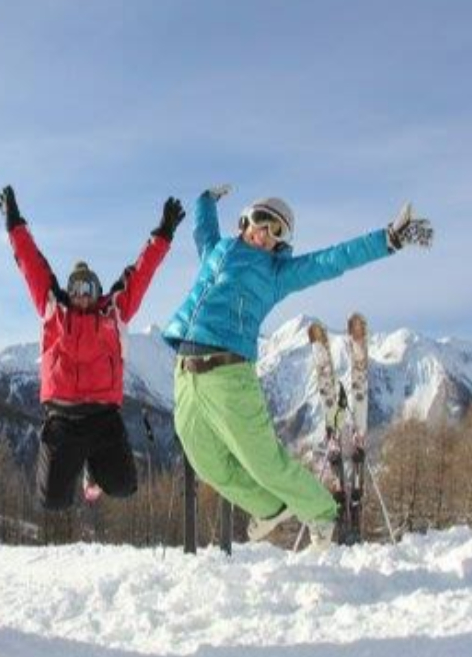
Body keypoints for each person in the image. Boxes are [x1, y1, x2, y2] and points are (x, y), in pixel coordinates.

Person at [163, 184, 432, 548]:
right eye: (263, 222)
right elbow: (204, 227)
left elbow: (332, 260)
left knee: (264, 462)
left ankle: (324, 514)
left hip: (228, 373)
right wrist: (206, 199)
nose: (266, 235)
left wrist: (388, 240)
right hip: (186, 374)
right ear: (245, 220)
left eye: (278, 232)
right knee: (206, 461)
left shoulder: (276, 272)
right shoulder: (216, 249)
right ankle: (270, 508)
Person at [0, 185, 183, 512]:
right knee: (52, 502)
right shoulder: (53, 309)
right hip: (62, 417)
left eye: (89, 287)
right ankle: (71, 463)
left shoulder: (114, 311)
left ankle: (93, 470)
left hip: (103, 417)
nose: (82, 293)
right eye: (76, 287)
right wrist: (14, 224)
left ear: (97, 290)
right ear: (68, 290)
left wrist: (163, 234)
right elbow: (31, 264)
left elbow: (140, 275)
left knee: (125, 487)